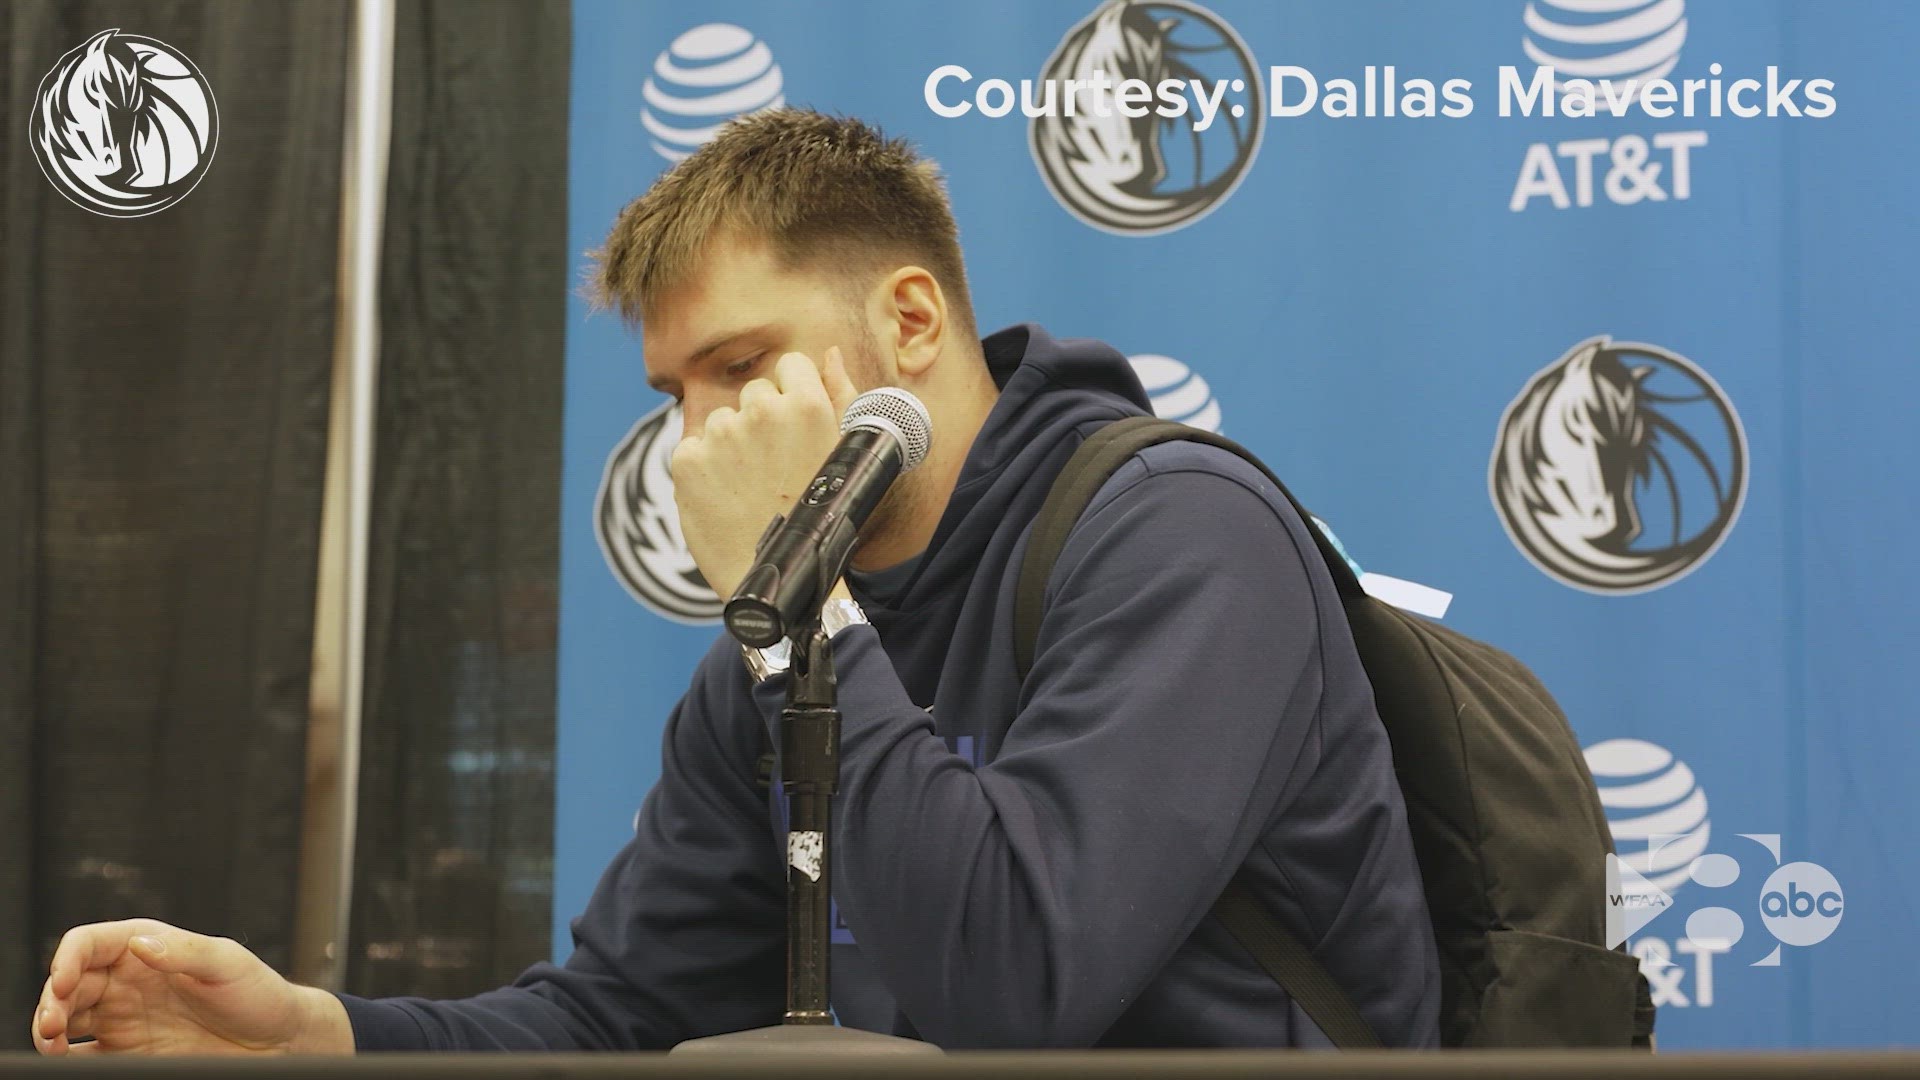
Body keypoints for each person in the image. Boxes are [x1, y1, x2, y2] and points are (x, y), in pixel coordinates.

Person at [32, 109, 1439, 1055]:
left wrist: (798, 613)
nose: (699, 437)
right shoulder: (779, 640)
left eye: (744, 368)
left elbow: (1013, 990)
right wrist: (322, 1038)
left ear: (908, 318)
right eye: (675, 392)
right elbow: (615, 1020)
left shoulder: (1181, 538)